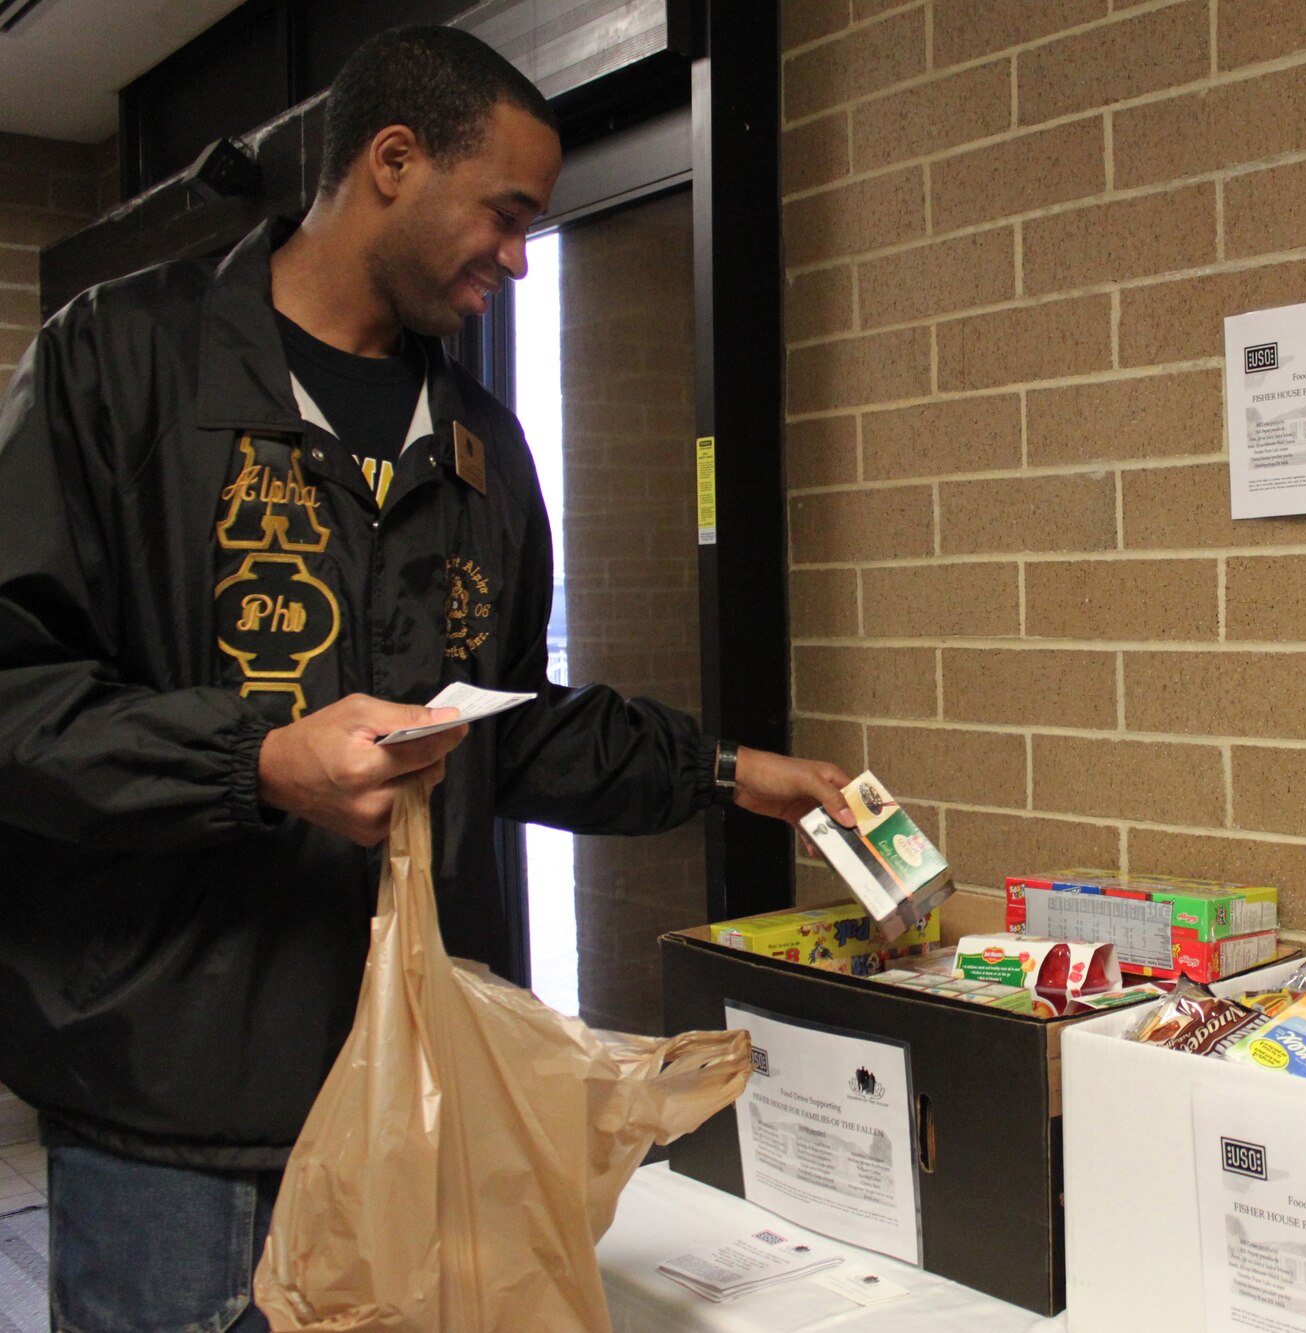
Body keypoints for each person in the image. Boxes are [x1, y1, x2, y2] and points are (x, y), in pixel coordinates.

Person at [0, 25, 850, 1333]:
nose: (519, 258)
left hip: (411, 1105)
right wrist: (257, 760)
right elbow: (17, 700)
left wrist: (733, 773)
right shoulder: (119, 365)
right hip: (170, 1124)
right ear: (391, 162)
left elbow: (507, 720)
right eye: (505, 215)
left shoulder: (479, 451)